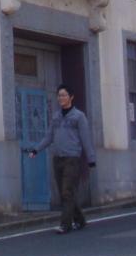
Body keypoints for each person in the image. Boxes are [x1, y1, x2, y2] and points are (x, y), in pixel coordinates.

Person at [26, 84, 95, 234]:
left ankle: (65, 224)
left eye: (64, 95)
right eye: (59, 95)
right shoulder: (56, 116)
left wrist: (91, 158)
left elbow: (86, 138)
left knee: (66, 192)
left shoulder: (79, 116)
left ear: (71, 97)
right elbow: (49, 137)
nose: (61, 98)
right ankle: (80, 219)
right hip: (57, 158)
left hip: (72, 158)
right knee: (65, 193)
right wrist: (36, 149)